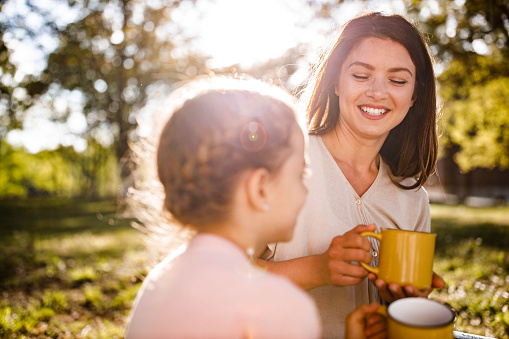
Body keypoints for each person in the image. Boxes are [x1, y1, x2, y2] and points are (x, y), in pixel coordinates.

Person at [125, 76, 382, 339]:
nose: (305, 190)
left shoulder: (159, 281)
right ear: (260, 189)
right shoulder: (278, 307)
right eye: (300, 174)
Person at [259, 12, 445, 338]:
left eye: (398, 80)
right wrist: (315, 269)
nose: (377, 92)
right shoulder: (281, 161)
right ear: (335, 81)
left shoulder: (412, 199)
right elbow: (218, 272)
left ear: (415, 95)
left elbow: (395, 320)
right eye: (361, 75)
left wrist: (398, 302)